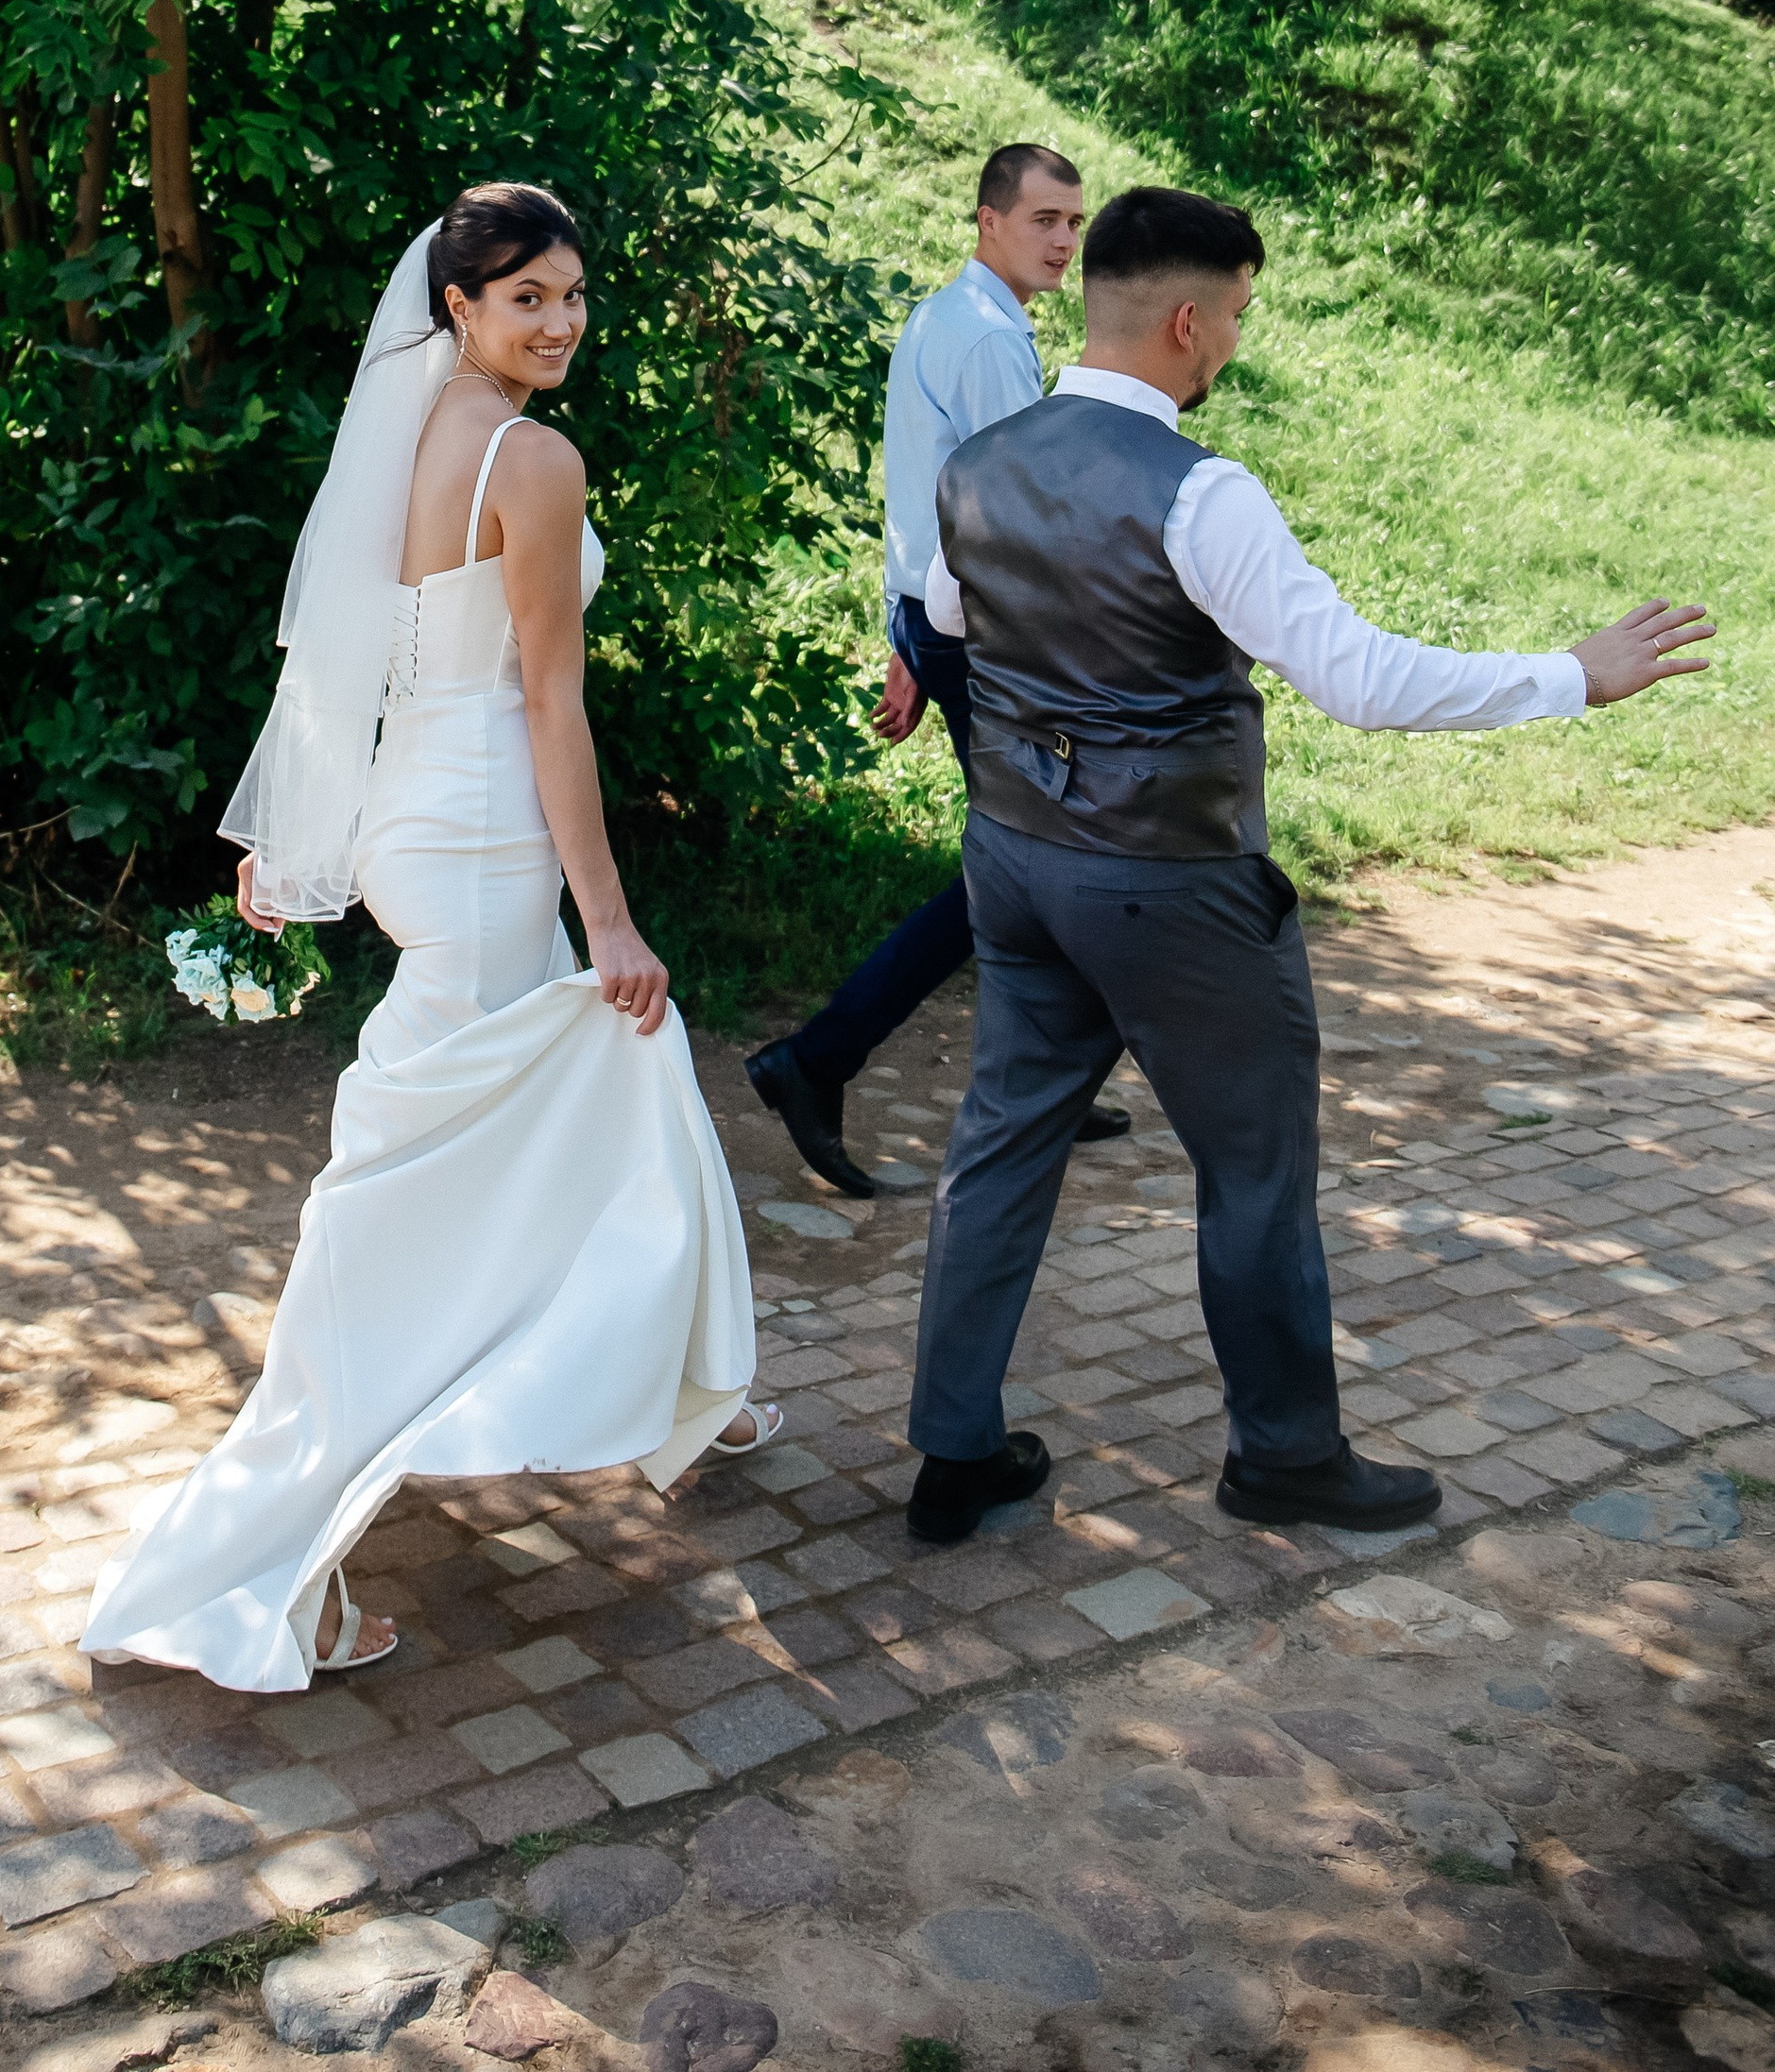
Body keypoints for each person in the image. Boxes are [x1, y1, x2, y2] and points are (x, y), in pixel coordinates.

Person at [905, 182, 1715, 1549]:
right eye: (1233, 318)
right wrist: (1570, 675)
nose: (1232, 345)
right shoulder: (1199, 492)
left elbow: (946, 610)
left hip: (1019, 855)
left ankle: (952, 1456)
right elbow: (1359, 679)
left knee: (999, 1147)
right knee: (1254, 1166)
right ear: (1185, 321)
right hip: (1171, 881)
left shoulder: (980, 463)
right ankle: (1283, 1455)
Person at [82, 185, 767, 1690]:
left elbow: (348, 659)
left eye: (572, 295)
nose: (561, 322)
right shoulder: (534, 461)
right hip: (486, 844)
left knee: (572, 1102)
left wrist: (299, 835)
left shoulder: (403, 435)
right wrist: (610, 917)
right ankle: (268, 1560)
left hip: (415, 816)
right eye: (528, 298)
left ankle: (682, 1381)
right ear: (458, 305)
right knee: (412, 1188)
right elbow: (549, 704)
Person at [745, 142, 1131, 1193]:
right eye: (1044, 219)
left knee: (1029, 855)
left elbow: (915, 495)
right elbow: (1015, 521)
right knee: (1021, 861)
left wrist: (905, 635)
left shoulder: (942, 316)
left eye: (1073, 222)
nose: (1064, 240)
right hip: (985, 634)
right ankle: (817, 1057)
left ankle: (1042, 1079)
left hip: (940, 621)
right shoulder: (991, 343)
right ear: (988, 221)